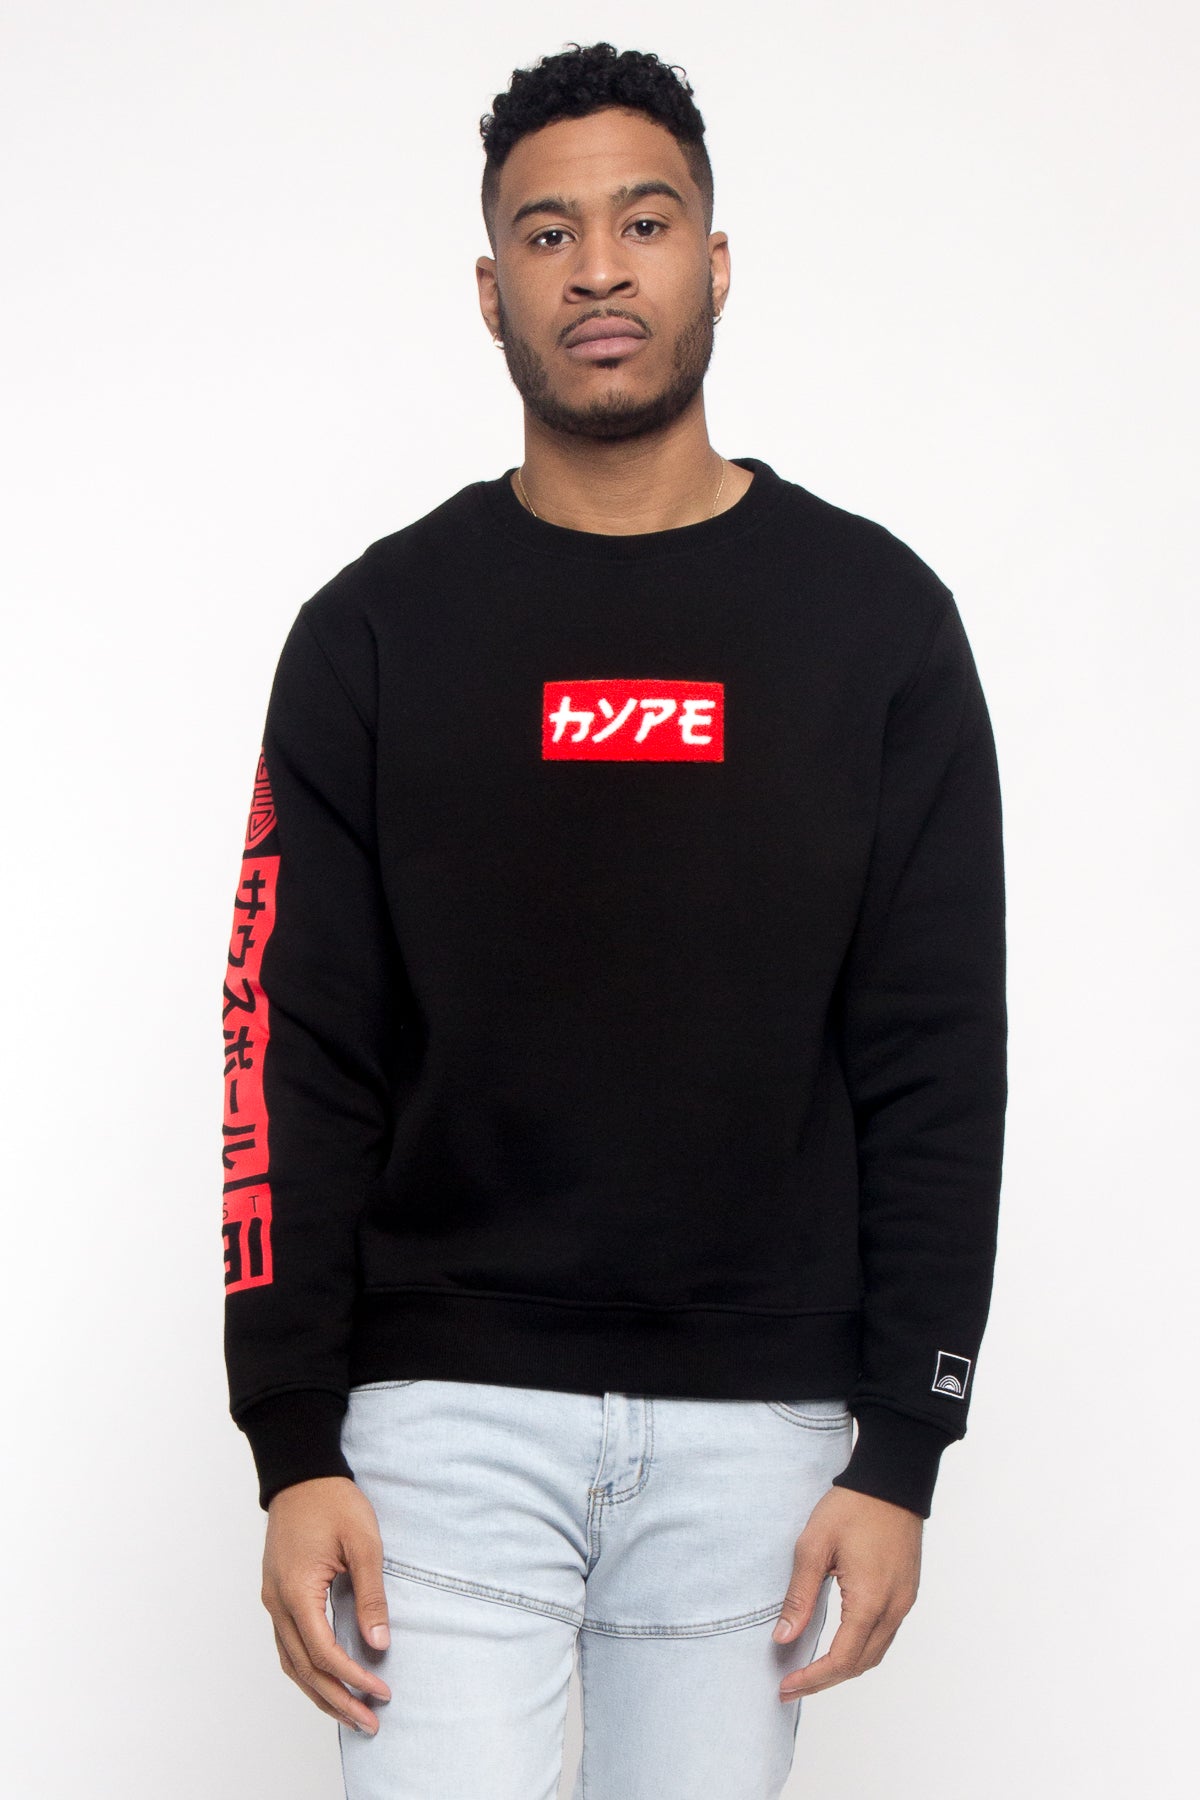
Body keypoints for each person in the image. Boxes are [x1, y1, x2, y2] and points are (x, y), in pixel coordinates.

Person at [220, 40, 1007, 1800]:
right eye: (548, 232)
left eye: (643, 224)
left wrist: (907, 1442)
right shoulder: (373, 635)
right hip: (437, 1427)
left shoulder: (875, 624)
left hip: (761, 1439)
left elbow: (938, 1051)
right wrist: (291, 1439)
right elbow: (291, 1039)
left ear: (714, 263)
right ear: (488, 286)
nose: (597, 269)